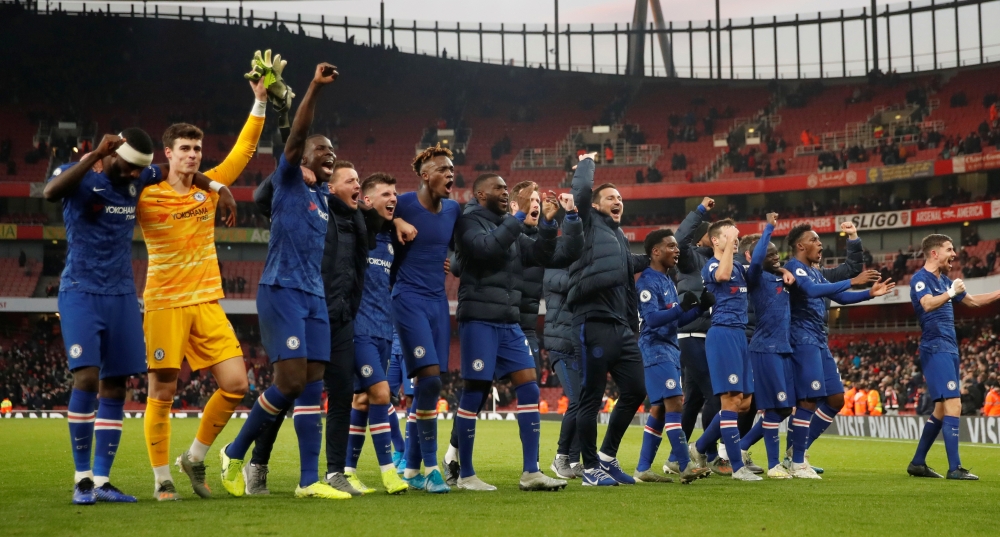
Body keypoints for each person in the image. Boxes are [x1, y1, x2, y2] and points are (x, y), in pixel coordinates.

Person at [220, 62, 349, 500]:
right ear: (302, 158)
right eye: (322, 150)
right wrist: (313, 88)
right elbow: (294, 137)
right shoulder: (291, 179)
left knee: (312, 387)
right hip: (281, 290)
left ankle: (308, 481)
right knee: (290, 382)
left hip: (314, 296)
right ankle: (234, 452)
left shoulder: (321, 195)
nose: (329, 154)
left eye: (334, 150)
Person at [138, 80, 265, 500]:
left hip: (206, 301)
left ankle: (193, 457)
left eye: (197, 149)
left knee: (237, 384)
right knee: (163, 391)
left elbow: (243, 153)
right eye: (185, 149)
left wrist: (259, 101)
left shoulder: (206, 191)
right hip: (163, 303)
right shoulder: (147, 195)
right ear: (168, 153)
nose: (193, 155)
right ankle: (162, 479)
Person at [43, 130, 159, 505]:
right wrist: (92, 154)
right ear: (111, 154)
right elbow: (49, 192)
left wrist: (217, 186)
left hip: (123, 294)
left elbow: (177, 169)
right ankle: (82, 479)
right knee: (87, 378)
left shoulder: (139, 175)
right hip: (80, 290)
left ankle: (104, 481)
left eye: (137, 172)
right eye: (127, 169)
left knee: (115, 385)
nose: (132, 177)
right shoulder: (79, 174)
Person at [449, 172, 571, 492]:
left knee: (529, 386)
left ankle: (531, 471)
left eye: (506, 188)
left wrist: (546, 224)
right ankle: (466, 474)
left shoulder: (510, 226)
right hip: (479, 318)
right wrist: (516, 218)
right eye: (498, 188)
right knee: (474, 392)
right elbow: (486, 249)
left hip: (509, 321)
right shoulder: (469, 221)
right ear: (480, 194)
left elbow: (538, 255)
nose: (505, 192)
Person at [783, 223, 892, 478]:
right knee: (807, 400)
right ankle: (797, 462)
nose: (821, 244)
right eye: (815, 240)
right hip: (802, 337)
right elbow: (810, 291)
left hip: (820, 339)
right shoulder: (793, 266)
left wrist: (869, 293)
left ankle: (797, 452)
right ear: (801, 245)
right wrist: (852, 280)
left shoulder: (815, 271)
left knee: (835, 399)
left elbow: (840, 298)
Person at [566, 152, 650, 487]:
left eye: (620, 198)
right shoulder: (586, 222)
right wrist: (586, 162)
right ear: (597, 205)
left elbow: (630, 267)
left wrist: (664, 253)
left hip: (620, 327)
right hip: (593, 322)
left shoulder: (617, 236)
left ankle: (606, 457)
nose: (618, 201)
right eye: (611, 198)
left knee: (636, 390)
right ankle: (589, 469)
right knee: (592, 396)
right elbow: (582, 193)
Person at [391, 144, 461, 493]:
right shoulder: (402, 203)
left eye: (452, 169)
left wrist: (457, 263)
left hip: (438, 303)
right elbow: (368, 208)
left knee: (430, 386)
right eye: (443, 169)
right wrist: (395, 218)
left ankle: (410, 470)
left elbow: (467, 246)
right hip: (407, 298)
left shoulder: (453, 210)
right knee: (430, 382)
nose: (450, 174)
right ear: (425, 175)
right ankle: (432, 468)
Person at [908, 234, 1000, 480]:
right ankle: (954, 468)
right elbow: (927, 304)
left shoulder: (945, 280)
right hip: (935, 347)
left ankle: (917, 463)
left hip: (949, 348)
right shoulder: (920, 279)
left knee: (940, 409)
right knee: (954, 404)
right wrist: (949, 293)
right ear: (934, 253)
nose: (954, 254)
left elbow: (972, 302)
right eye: (949, 249)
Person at [633, 229, 713, 484]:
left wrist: (698, 309)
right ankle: (684, 464)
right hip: (655, 347)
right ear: (655, 252)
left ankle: (643, 469)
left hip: (669, 345)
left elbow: (676, 321)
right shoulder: (647, 281)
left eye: (677, 246)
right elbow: (653, 319)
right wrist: (680, 307)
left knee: (659, 409)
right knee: (675, 403)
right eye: (671, 246)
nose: (677, 250)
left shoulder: (668, 280)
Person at [687, 219, 760, 481]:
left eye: (736, 236)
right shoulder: (714, 266)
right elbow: (722, 276)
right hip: (723, 334)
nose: (735, 239)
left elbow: (755, 272)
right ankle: (736, 467)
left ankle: (699, 447)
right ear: (715, 241)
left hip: (740, 335)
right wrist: (730, 245)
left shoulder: (738, 266)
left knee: (745, 403)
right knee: (729, 401)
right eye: (729, 235)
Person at [733, 215, 797, 479]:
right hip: (764, 348)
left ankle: (741, 447)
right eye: (769, 253)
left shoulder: (782, 278)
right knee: (768, 406)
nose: (776, 257)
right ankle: (773, 465)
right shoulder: (755, 276)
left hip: (783, 349)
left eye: (777, 254)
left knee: (782, 409)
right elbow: (758, 261)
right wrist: (769, 229)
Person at [669, 197, 723, 474]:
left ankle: (674, 459)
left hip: (706, 334)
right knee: (716, 396)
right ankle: (709, 453)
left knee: (693, 401)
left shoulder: (722, 262)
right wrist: (700, 212)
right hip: (692, 333)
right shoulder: (691, 258)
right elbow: (679, 241)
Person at [545, 266, 583, 479]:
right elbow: (570, 284)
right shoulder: (553, 269)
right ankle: (560, 457)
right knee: (577, 401)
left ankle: (575, 460)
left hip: (578, 346)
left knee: (584, 403)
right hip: (560, 346)